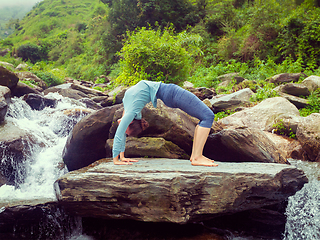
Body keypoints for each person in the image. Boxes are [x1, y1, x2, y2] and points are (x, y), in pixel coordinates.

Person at [112, 80, 218, 167]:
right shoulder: (130, 108)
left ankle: (196, 156)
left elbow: (119, 133)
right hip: (170, 93)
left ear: (130, 122)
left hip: (171, 93)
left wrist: (117, 159)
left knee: (206, 116)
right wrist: (120, 157)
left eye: (125, 128)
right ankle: (196, 157)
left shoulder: (130, 111)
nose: (121, 126)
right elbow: (121, 133)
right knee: (207, 116)